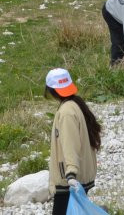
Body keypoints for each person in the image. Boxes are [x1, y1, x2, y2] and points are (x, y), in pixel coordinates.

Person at [45, 68, 101, 215]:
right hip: (79, 176)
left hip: (69, 180)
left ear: (51, 90)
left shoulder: (66, 113)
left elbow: (70, 144)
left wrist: (71, 174)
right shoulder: (75, 104)